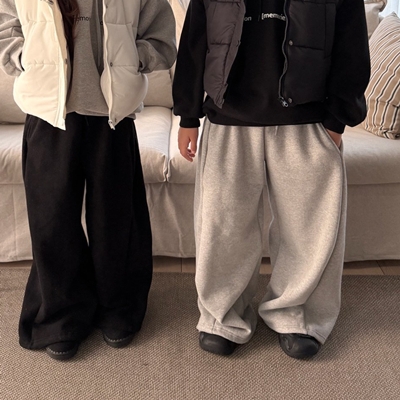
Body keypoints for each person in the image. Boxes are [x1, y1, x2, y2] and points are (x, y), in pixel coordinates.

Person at [173, 0, 370, 358]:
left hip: (308, 117)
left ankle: (297, 315)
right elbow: (195, 35)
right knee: (222, 225)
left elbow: (351, 35)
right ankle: (222, 315)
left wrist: (338, 116)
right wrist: (188, 115)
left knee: (309, 228)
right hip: (228, 114)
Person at [0, 0, 176, 360]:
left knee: (115, 218)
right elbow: (5, 28)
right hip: (47, 113)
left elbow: (162, 39)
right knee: (51, 221)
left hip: (112, 115)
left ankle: (117, 306)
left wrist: (132, 59)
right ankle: (61, 316)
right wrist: (26, 57)